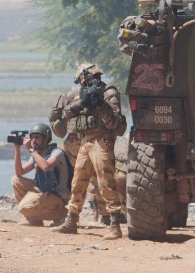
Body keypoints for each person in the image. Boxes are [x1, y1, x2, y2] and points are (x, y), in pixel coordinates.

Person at [51, 63, 127, 239]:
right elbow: (67, 114)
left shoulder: (109, 93)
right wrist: (83, 102)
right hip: (85, 140)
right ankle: (71, 221)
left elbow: (117, 125)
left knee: (105, 182)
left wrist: (100, 104)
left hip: (102, 140)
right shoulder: (81, 94)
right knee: (78, 181)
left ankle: (115, 225)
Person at [11, 122, 70, 226]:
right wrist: (17, 148)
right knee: (16, 180)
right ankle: (34, 220)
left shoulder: (56, 152)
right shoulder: (36, 154)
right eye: (32, 138)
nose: (34, 141)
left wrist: (31, 150)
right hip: (44, 191)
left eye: (37, 138)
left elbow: (46, 167)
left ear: (46, 139)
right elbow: (19, 172)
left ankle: (61, 214)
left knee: (22, 208)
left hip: (57, 196)